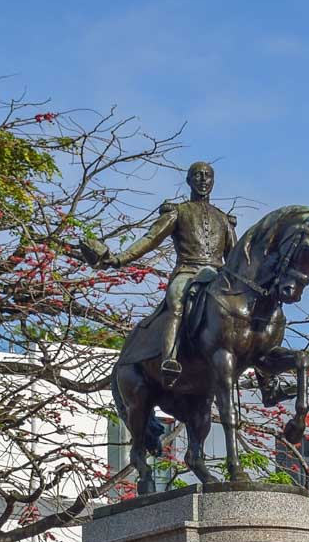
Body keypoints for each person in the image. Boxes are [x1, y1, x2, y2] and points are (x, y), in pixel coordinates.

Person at [79, 161, 236, 387]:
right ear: (189, 180)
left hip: (218, 275)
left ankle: (264, 376)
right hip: (189, 272)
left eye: (207, 176)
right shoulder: (179, 212)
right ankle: (170, 358)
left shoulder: (223, 219)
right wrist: (120, 259)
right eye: (197, 175)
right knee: (178, 303)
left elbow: (235, 256)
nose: (203, 180)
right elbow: (151, 240)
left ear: (213, 181)